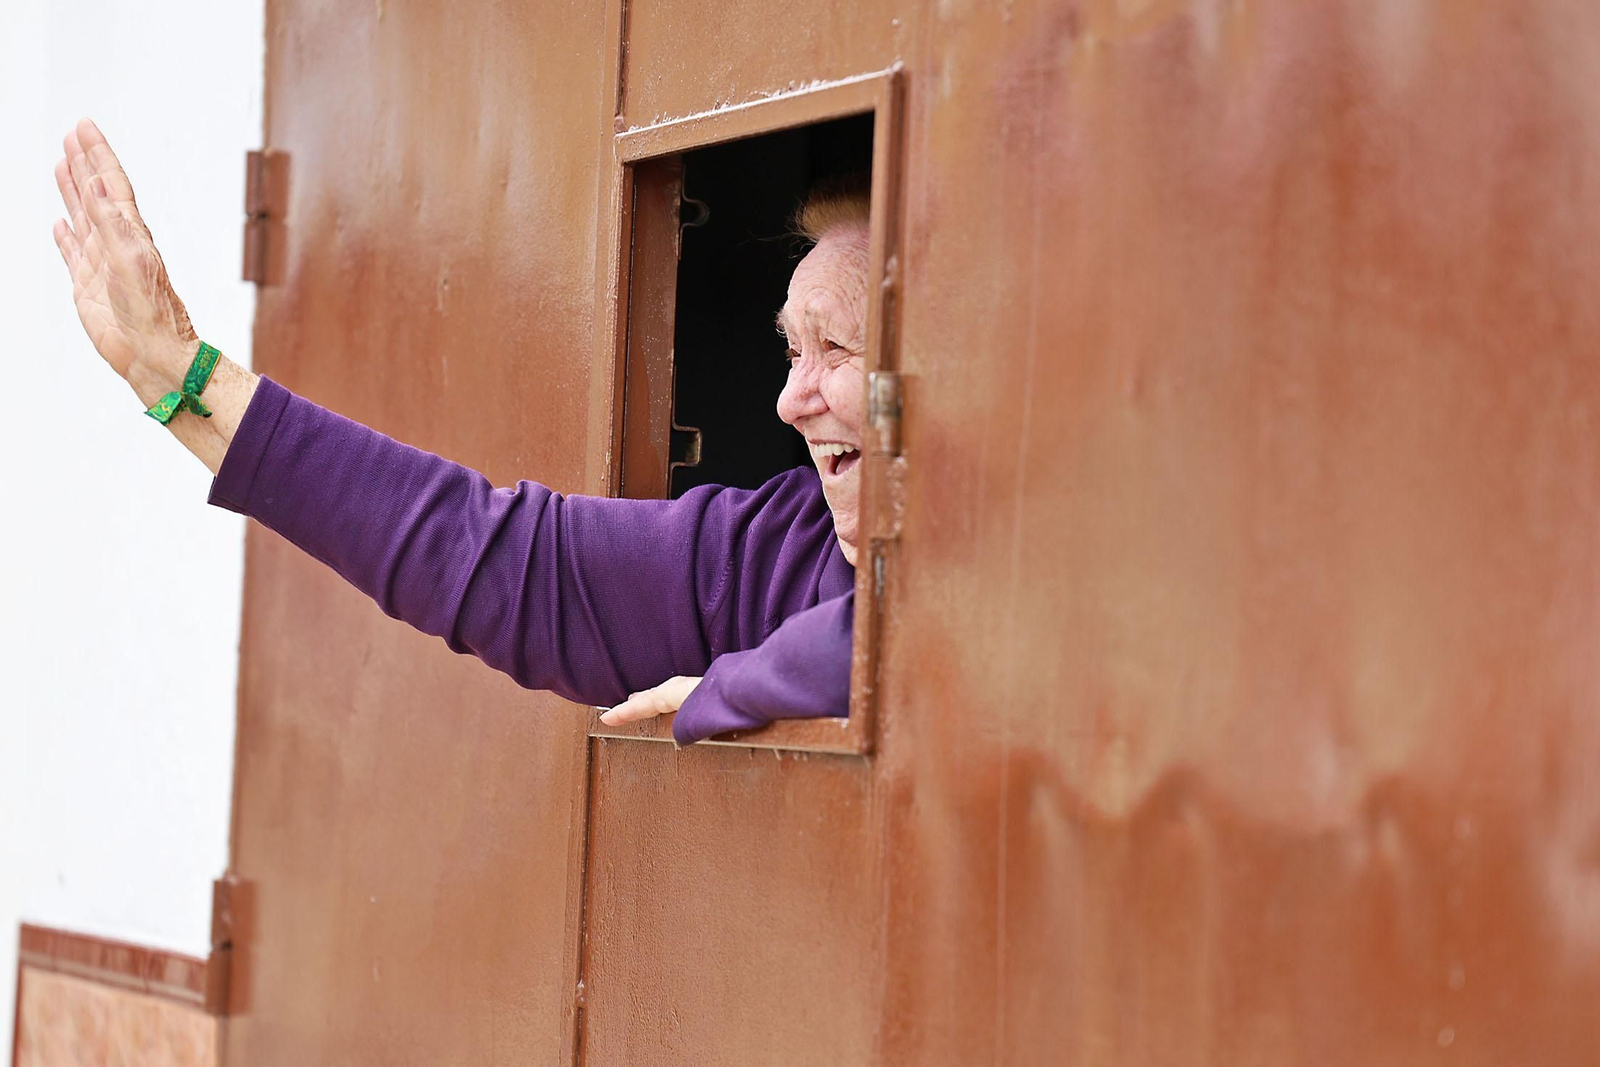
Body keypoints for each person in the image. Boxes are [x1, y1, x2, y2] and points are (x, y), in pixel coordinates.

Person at [50, 119, 867, 744]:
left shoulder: (942, 584)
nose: (789, 401)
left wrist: (730, 686)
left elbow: (892, 638)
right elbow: (506, 559)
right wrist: (180, 378)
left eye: (834, 347)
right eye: (791, 350)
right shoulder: (781, 544)